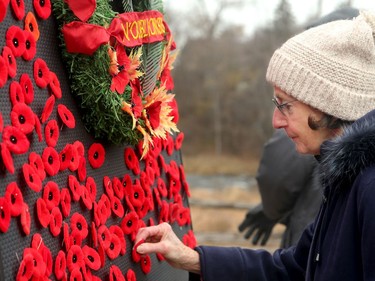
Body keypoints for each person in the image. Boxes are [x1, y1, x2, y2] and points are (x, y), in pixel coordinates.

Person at [134, 10, 375, 281]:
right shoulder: (345, 181)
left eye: (285, 105)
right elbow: (291, 269)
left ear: (326, 104)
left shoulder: (368, 187)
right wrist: (192, 258)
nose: (276, 121)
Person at [238, 7, 360, 248]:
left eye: (285, 104)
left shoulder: (316, 117)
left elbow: (279, 173)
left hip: (312, 240)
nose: (277, 121)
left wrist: (271, 210)